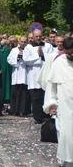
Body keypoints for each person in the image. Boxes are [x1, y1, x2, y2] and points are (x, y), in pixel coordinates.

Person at [43, 37, 73, 167]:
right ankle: (66, 160)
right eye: (68, 53)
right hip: (64, 106)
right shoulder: (58, 62)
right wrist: (51, 104)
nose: (71, 56)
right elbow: (51, 86)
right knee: (65, 133)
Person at [23, 29, 54, 124]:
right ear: (33, 36)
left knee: (45, 95)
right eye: (36, 36)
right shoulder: (28, 47)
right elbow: (26, 60)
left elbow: (52, 57)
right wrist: (37, 56)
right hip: (34, 75)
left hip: (46, 74)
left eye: (40, 36)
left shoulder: (48, 46)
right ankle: (38, 117)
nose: (38, 38)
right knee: (36, 98)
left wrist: (43, 55)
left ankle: (46, 115)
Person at [7, 36, 31, 116]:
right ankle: (14, 110)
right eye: (21, 41)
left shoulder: (29, 50)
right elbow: (9, 59)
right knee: (15, 93)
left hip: (25, 73)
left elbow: (31, 60)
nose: (23, 43)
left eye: (24, 42)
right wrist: (17, 57)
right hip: (16, 73)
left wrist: (24, 57)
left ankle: (24, 110)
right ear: (19, 42)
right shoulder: (14, 50)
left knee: (24, 93)